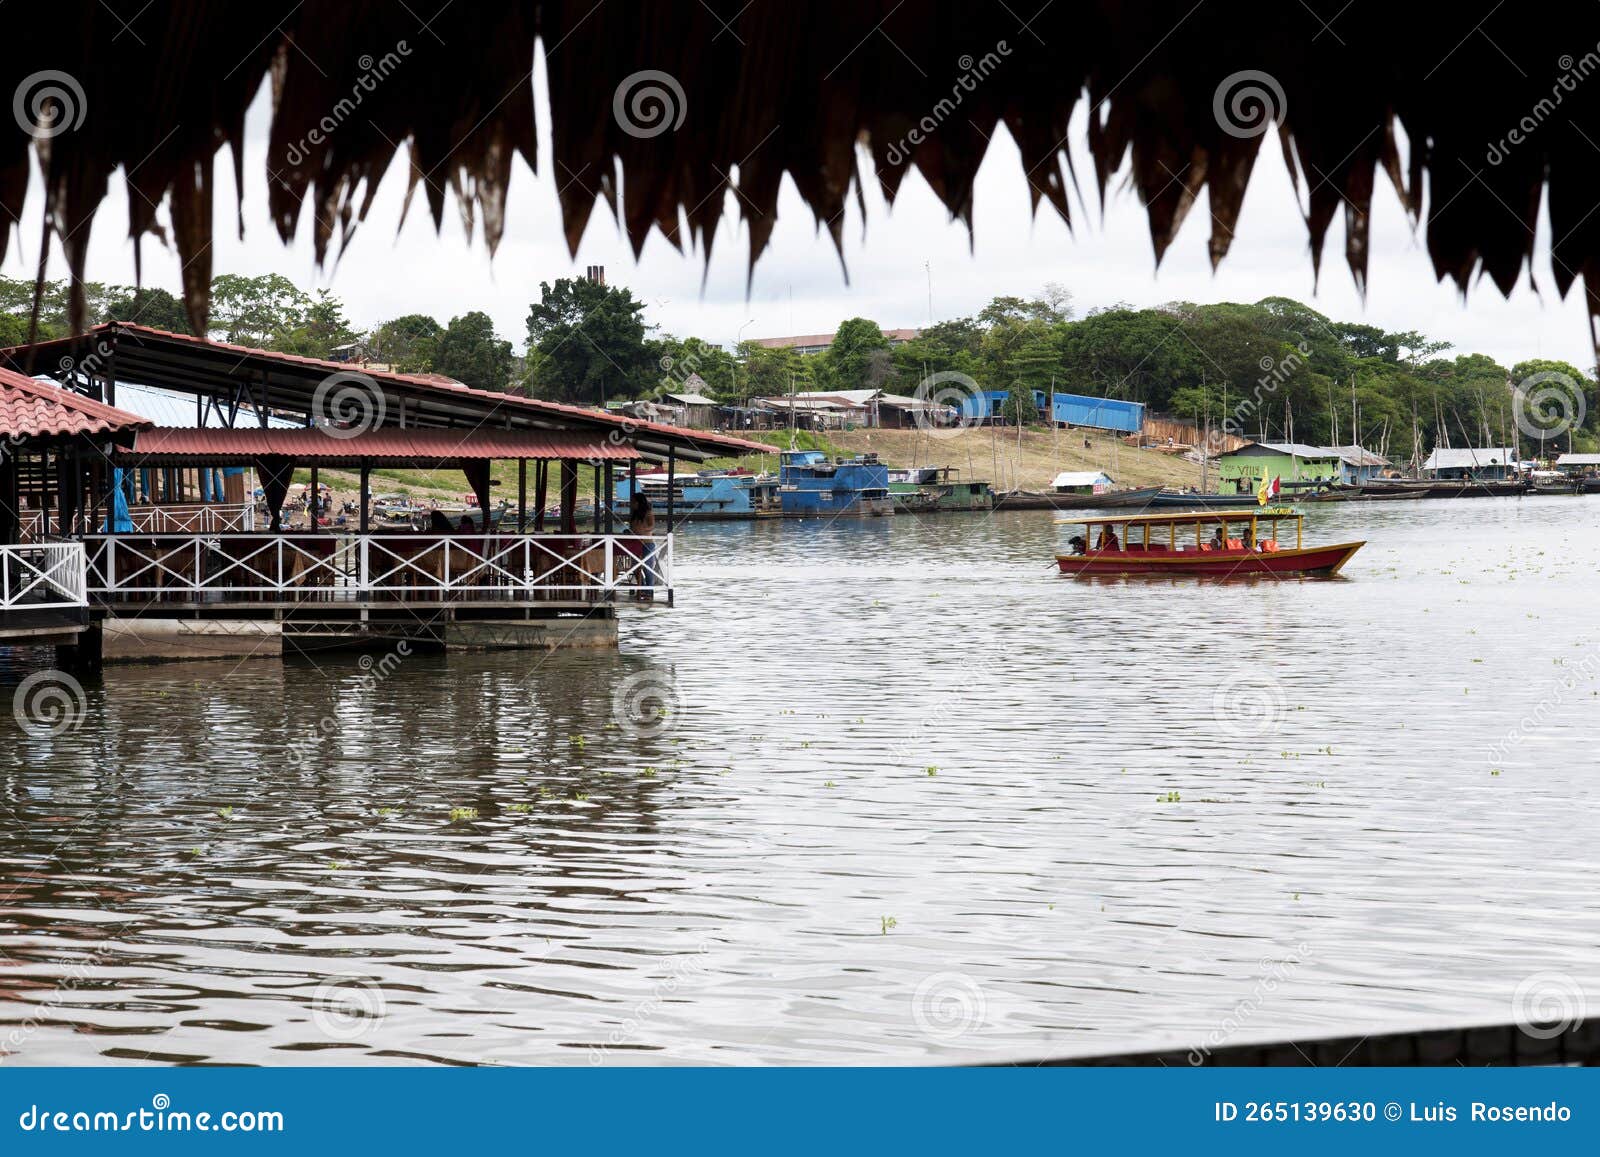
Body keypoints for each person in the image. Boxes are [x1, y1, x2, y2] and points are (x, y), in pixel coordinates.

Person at [629, 493, 658, 600]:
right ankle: (643, 587)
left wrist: (641, 531)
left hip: (647, 543)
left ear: (638, 502)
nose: (631, 504)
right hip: (635, 543)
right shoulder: (634, 514)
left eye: (633, 501)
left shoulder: (648, 513)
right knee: (634, 566)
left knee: (647, 568)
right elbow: (632, 528)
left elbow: (651, 526)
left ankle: (649, 592)